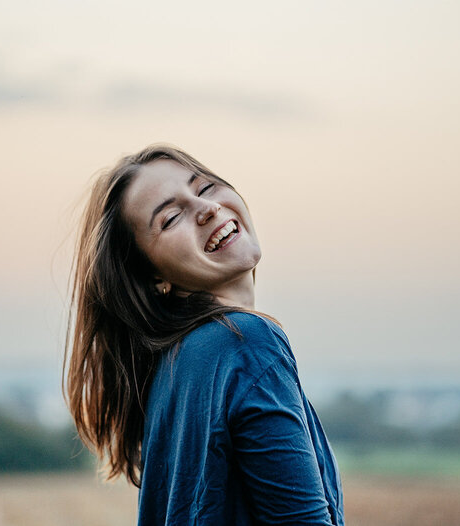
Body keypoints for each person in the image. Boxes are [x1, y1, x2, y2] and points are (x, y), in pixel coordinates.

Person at [63, 144, 344, 525]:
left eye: (206, 187)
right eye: (171, 217)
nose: (207, 208)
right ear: (154, 277)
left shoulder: (175, 365)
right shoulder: (245, 343)